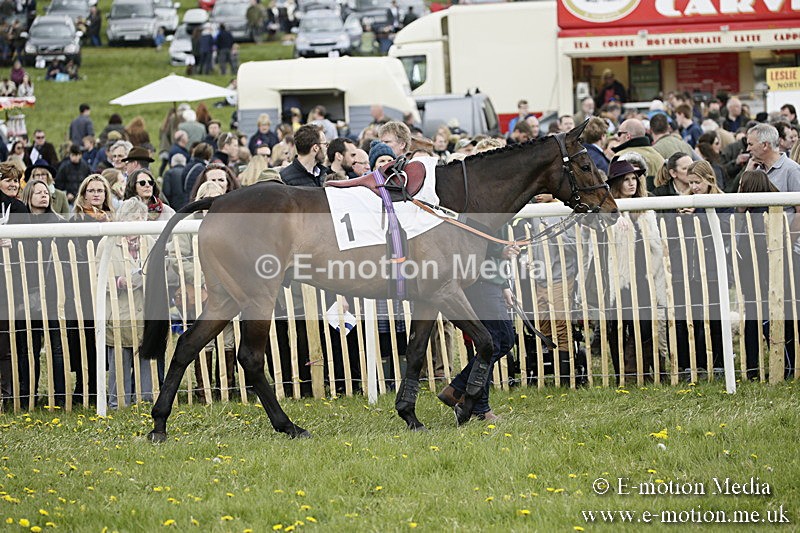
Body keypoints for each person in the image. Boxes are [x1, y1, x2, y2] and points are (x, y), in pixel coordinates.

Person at [166, 180, 234, 403]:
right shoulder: (187, 226)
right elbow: (179, 257)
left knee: (228, 339)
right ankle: (203, 388)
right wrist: (202, 277)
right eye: (208, 198)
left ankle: (227, 387)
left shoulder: (232, 225)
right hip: (200, 290)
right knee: (204, 338)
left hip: (227, 289)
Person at [604, 159, 666, 382]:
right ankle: (625, 372)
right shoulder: (609, 210)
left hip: (644, 275)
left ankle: (647, 369)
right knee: (619, 325)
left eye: (634, 179)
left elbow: (656, 246)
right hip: (618, 278)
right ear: (617, 183)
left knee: (646, 324)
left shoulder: (646, 210)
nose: (631, 184)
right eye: (626, 180)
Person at [98, 198, 156, 408]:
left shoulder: (149, 241)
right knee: (119, 362)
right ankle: (118, 403)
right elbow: (98, 276)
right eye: (132, 218)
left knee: (145, 360)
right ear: (122, 219)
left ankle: (145, 401)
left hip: (144, 310)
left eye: (141, 218)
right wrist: (119, 282)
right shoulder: (108, 242)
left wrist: (146, 277)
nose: (137, 223)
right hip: (119, 312)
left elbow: (160, 271)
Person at [18, 179, 67, 406]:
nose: (43, 196)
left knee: (57, 346)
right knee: (29, 346)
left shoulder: (58, 224)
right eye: (38, 192)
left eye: (46, 192)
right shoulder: (18, 225)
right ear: (29, 196)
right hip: (25, 291)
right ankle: (28, 394)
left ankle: (59, 396)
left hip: (53, 290)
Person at [68, 174, 115, 405]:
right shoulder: (76, 220)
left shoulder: (112, 220)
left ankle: (102, 385)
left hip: (109, 285)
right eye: (92, 190)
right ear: (84, 194)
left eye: (100, 190)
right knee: (84, 336)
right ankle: (83, 386)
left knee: (105, 335)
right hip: (84, 285)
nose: (96, 194)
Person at [0, 162, 30, 407]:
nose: (12, 184)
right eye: (7, 179)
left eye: (15, 180)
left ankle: (9, 395)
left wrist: (16, 243)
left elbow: (30, 245)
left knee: (8, 342)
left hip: (11, 283)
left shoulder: (19, 207)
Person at [611, 118, 665, 193]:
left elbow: (614, 187)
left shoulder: (620, 157)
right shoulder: (658, 156)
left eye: (619, 133)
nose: (617, 137)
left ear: (627, 136)